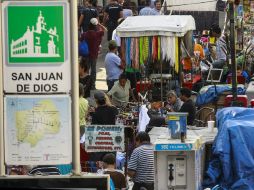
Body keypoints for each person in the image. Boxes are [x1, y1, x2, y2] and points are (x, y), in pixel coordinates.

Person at [81, 18, 107, 89]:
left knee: (86, 70)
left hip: (86, 54)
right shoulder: (98, 34)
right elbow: (105, 29)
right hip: (94, 55)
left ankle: (85, 85)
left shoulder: (84, 34)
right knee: (93, 70)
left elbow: (80, 40)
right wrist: (99, 24)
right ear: (95, 26)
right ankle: (93, 85)